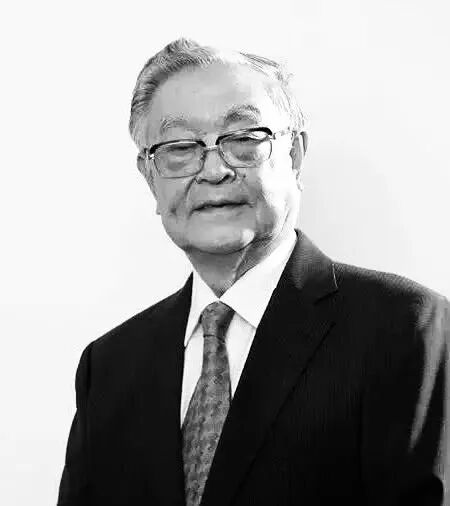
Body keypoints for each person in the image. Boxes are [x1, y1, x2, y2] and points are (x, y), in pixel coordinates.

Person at [57, 38, 450, 506]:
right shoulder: (109, 367)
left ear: (294, 155)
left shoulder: (405, 327)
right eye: (180, 147)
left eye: (243, 139)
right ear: (150, 176)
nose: (214, 170)